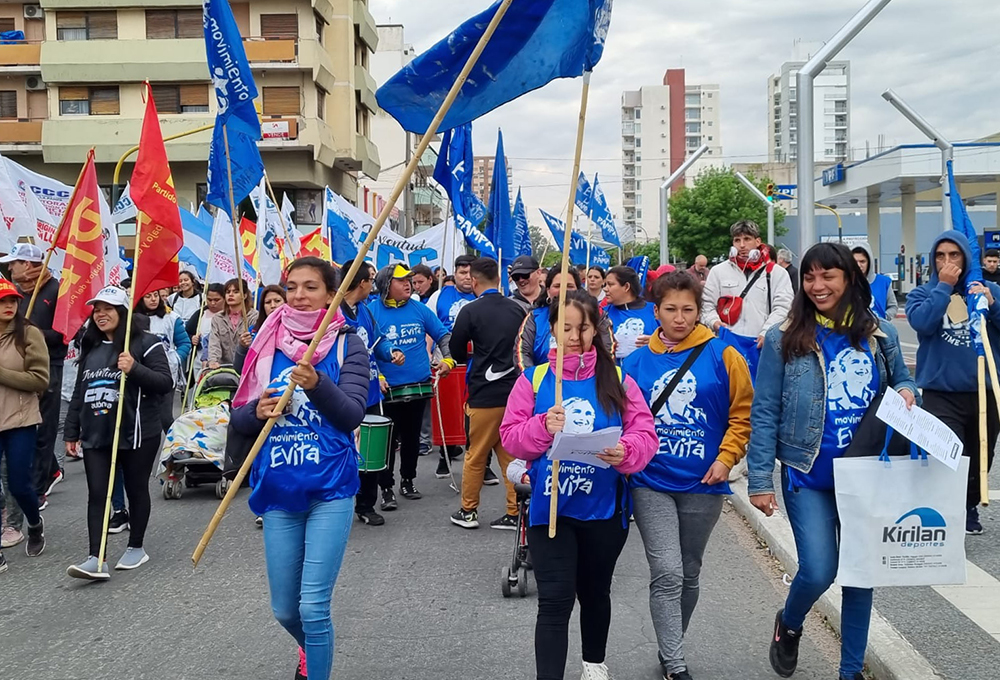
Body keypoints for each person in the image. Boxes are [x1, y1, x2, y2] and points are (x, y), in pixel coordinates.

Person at [746, 243, 917, 680]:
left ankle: (850, 671)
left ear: (849, 280)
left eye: (829, 276)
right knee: (819, 570)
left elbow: (903, 377)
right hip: (809, 473)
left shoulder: (880, 334)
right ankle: (790, 622)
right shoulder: (783, 338)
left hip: (865, 475)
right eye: (810, 277)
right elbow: (764, 410)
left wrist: (907, 391)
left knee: (861, 574)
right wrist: (760, 479)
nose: (818, 286)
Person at [500, 290, 658, 680]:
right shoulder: (534, 379)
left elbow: (645, 434)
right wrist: (540, 426)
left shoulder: (618, 379)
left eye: (582, 327)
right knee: (554, 601)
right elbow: (510, 437)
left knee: (594, 591)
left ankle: (594, 663)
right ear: (552, 329)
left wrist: (626, 451)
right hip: (550, 510)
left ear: (597, 329)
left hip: (604, 509)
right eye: (565, 327)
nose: (574, 336)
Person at [229, 257, 369, 680]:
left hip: (331, 487)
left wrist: (317, 384)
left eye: (311, 287)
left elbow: (351, 415)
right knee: (285, 608)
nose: (299, 296)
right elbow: (236, 417)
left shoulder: (347, 342)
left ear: (331, 294)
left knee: (312, 607)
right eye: (292, 287)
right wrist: (258, 410)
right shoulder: (262, 343)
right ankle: (312, 650)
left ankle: (316, 667)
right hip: (278, 489)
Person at [623, 272, 753, 680]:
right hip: (650, 481)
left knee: (690, 572)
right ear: (655, 311)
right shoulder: (635, 362)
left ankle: (669, 646)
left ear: (699, 311)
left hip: (705, 483)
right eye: (670, 310)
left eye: (688, 310)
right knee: (668, 573)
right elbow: (623, 420)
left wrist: (726, 459)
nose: (679, 318)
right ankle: (676, 664)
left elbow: (742, 416)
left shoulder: (724, 355)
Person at [65, 286, 174, 579]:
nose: (100, 315)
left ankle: (136, 546)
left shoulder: (147, 343)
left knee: (135, 489)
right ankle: (95, 557)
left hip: (138, 433)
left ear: (122, 312)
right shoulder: (91, 346)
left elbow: (165, 383)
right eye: (96, 310)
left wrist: (134, 368)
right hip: (97, 434)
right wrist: (71, 431)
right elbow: (79, 391)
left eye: (107, 309)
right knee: (97, 493)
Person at [906, 230, 1000, 535]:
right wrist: (943, 287)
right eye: (940, 256)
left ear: (966, 257)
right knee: (947, 455)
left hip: (984, 391)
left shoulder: (988, 290)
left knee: (980, 453)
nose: (947, 261)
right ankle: (947, 509)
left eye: (954, 255)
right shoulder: (924, 293)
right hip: (941, 392)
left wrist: (991, 303)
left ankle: (970, 504)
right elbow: (922, 323)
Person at [448, 257, 526, 530]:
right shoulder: (518, 310)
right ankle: (514, 512)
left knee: (475, 455)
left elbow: (456, 351)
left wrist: (473, 352)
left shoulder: (469, 311)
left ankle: (468, 511)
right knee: (510, 456)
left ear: (475, 280)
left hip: (483, 391)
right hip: (515, 393)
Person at [370, 264, 454, 508]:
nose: (408, 283)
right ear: (386, 285)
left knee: (411, 439)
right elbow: (364, 348)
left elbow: (443, 335)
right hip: (386, 390)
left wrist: (448, 358)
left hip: (418, 387)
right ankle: (386, 487)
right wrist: (377, 376)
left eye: (409, 279)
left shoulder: (419, 308)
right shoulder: (371, 310)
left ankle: (408, 480)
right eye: (401, 280)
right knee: (387, 442)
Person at [339, 259, 404, 527]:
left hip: (370, 393)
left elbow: (378, 341)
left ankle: (366, 504)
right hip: (341, 396)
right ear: (362, 283)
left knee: (370, 452)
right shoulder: (332, 313)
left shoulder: (365, 310)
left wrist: (391, 353)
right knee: (341, 451)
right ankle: (336, 504)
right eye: (371, 279)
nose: (374, 284)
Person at [0, 243, 65, 510]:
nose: (10, 267)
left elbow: (63, 333)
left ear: (27, 265)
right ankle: (51, 470)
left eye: (14, 263)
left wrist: (31, 333)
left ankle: (38, 488)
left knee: (44, 426)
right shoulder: (16, 293)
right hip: (16, 366)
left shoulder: (54, 289)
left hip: (50, 362)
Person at [0, 279, 50, 572]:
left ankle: (34, 523)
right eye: (2, 301)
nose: (8, 306)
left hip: (20, 419)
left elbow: (39, 380)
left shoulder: (29, 333)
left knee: (19, 484)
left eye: (12, 301)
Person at [702, 220, 793, 349]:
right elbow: (707, 304)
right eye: (737, 240)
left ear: (758, 242)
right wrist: (714, 323)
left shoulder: (776, 273)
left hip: (762, 344)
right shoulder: (718, 271)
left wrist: (766, 332)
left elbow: (784, 307)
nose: (742, 245)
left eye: (747, 239)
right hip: (726, 344)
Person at [515, 267, 614, 370]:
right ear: (548, 291)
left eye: (569, 286)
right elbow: (522, 353)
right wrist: (533, 381)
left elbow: (607, 350)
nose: (563, 290)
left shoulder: (596, 314)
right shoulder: (534, 318)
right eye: (557, 286)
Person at [136, 290, 191, 433]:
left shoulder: (171, 318)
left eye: (155, 295)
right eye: (148, 296)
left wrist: (175, 359)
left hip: (166, 374)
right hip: (140, 373)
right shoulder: (132, 319)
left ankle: (175, 445)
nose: (153, 299)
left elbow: (185, 343)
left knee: (165, 418)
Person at [605, 265, 659, 361]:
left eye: (610, 284)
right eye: (605, 285)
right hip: (614, 373)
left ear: (626, 287)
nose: (605, 289)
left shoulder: (655, 310)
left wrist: (657, 342)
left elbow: (674, 340)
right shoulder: (602, 313)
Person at [233, 285, 287, 373]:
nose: (273, 305)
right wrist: (242, 348)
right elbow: (239, 369)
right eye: (268, 302)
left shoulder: (296, 330)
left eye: (277, 301)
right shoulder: (254, 332)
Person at [208, 278, 258, 369]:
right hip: (223, 368)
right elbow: (214, 342)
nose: (231, 294)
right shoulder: (218, 318)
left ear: (245, 295)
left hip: (246, 367)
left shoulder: (254, 317)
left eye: (236, 292)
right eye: (228, 292)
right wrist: (213, 361)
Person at [850, 242, 897, 320]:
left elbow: (893, 306)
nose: (858, 265)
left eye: (862, 261)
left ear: (869, 262)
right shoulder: (845, 283)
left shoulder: (883, 282)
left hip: (878, 328)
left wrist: (884, 319)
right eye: (855, 262)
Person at [187, 282, 225, 366]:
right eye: (209, 300)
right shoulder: (200, 313)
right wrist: (192, 338)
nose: (212, 303)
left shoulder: (228, 316)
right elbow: (186, 333)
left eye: (216, 300)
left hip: (221, 361)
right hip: (199, 361)